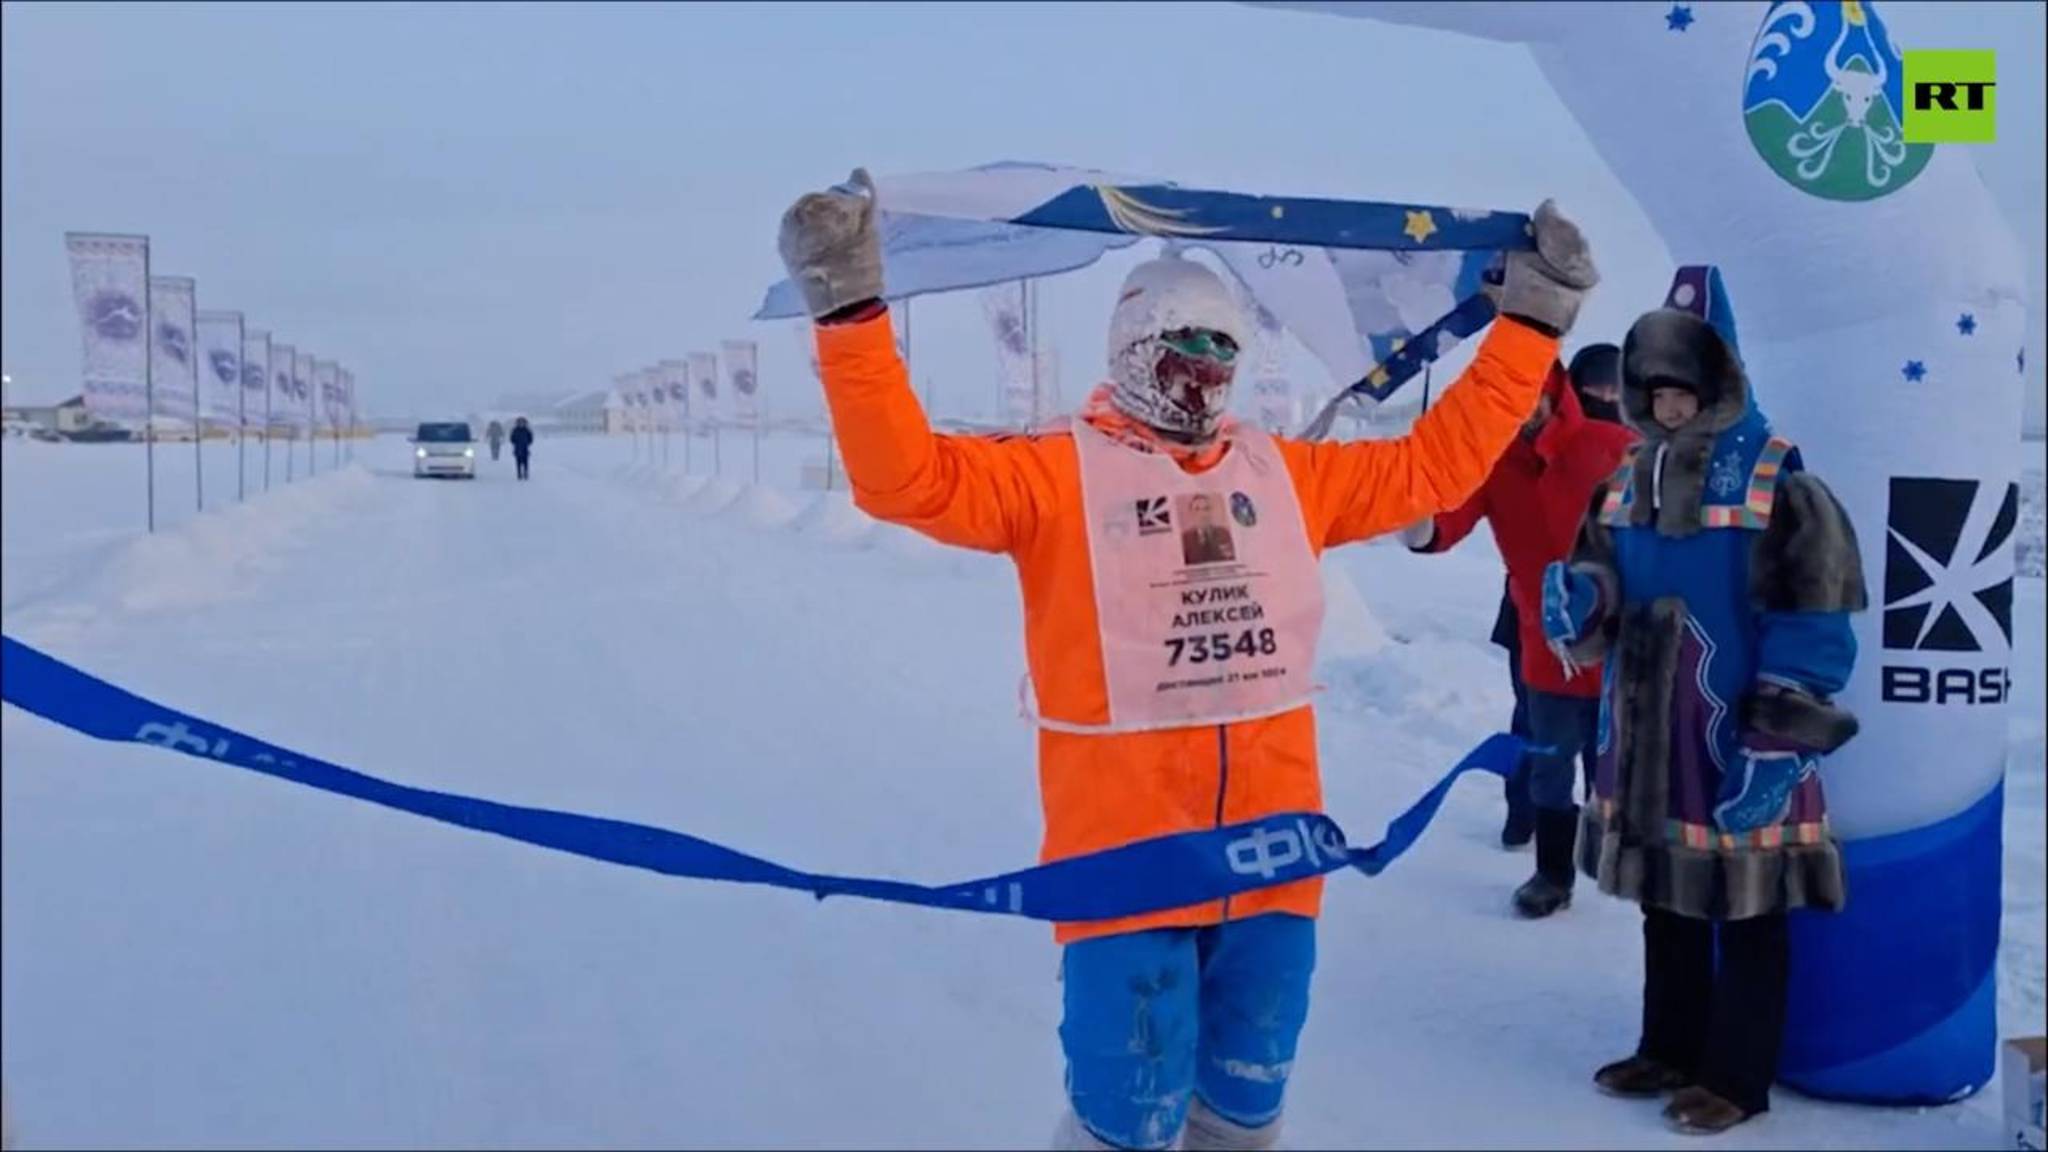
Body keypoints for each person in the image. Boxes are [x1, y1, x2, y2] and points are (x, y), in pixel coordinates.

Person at [778, 168, 1600, 1151]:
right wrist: (850, 310)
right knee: (1128, 1111)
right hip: (1122, 863)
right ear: (1129, 348)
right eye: (1180, 344)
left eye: (1221, 347)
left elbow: (1432, 466)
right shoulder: (1051, 475)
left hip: (1271, 865)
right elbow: (903, 478)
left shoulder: (1285, 475)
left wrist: (1529, 327)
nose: (1203, 367)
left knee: (1245, 1105)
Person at [1540, 266, 1866, 1134]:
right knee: (1665, 898)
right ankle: (1668, 1046)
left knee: (1752, 908)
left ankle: (1738, 1077)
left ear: (1720, 384)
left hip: (1741, 736)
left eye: (1684, 391)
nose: (1670, 408)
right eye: (1656, 393)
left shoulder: (1777, 479)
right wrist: (1581, 599)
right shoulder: (1624, 479)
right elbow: (1600, 574)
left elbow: (1814, 615)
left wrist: (1778, 739)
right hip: (1650, 735)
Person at [1402, 356, 1636, 916]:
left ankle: (1619, 856)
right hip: (1546, 648)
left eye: (1532, 393)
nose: (1525, 407)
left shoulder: (1615, 445)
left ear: (1555, 392)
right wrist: (1414, 518)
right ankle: (1552, 876)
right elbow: (1448, 521)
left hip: (1620, 645)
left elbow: (1668, 519)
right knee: (1550, 764)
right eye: (1510, 397)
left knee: (1618, 764)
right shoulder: (1493, 461)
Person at [509, 416, 533, 480]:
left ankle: (525, 473)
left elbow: (530, 439)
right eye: (520, 423)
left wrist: (527, 443)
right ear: (517, 423)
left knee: (526, 462)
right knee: (518, 462)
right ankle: (519, 474)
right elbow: (511, 439)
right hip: (517, 448)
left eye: (522, 423)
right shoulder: (515, 430)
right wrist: (515, 442)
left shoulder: (527, 430)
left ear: (525, 423)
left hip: (525, 448)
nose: (521, 424)